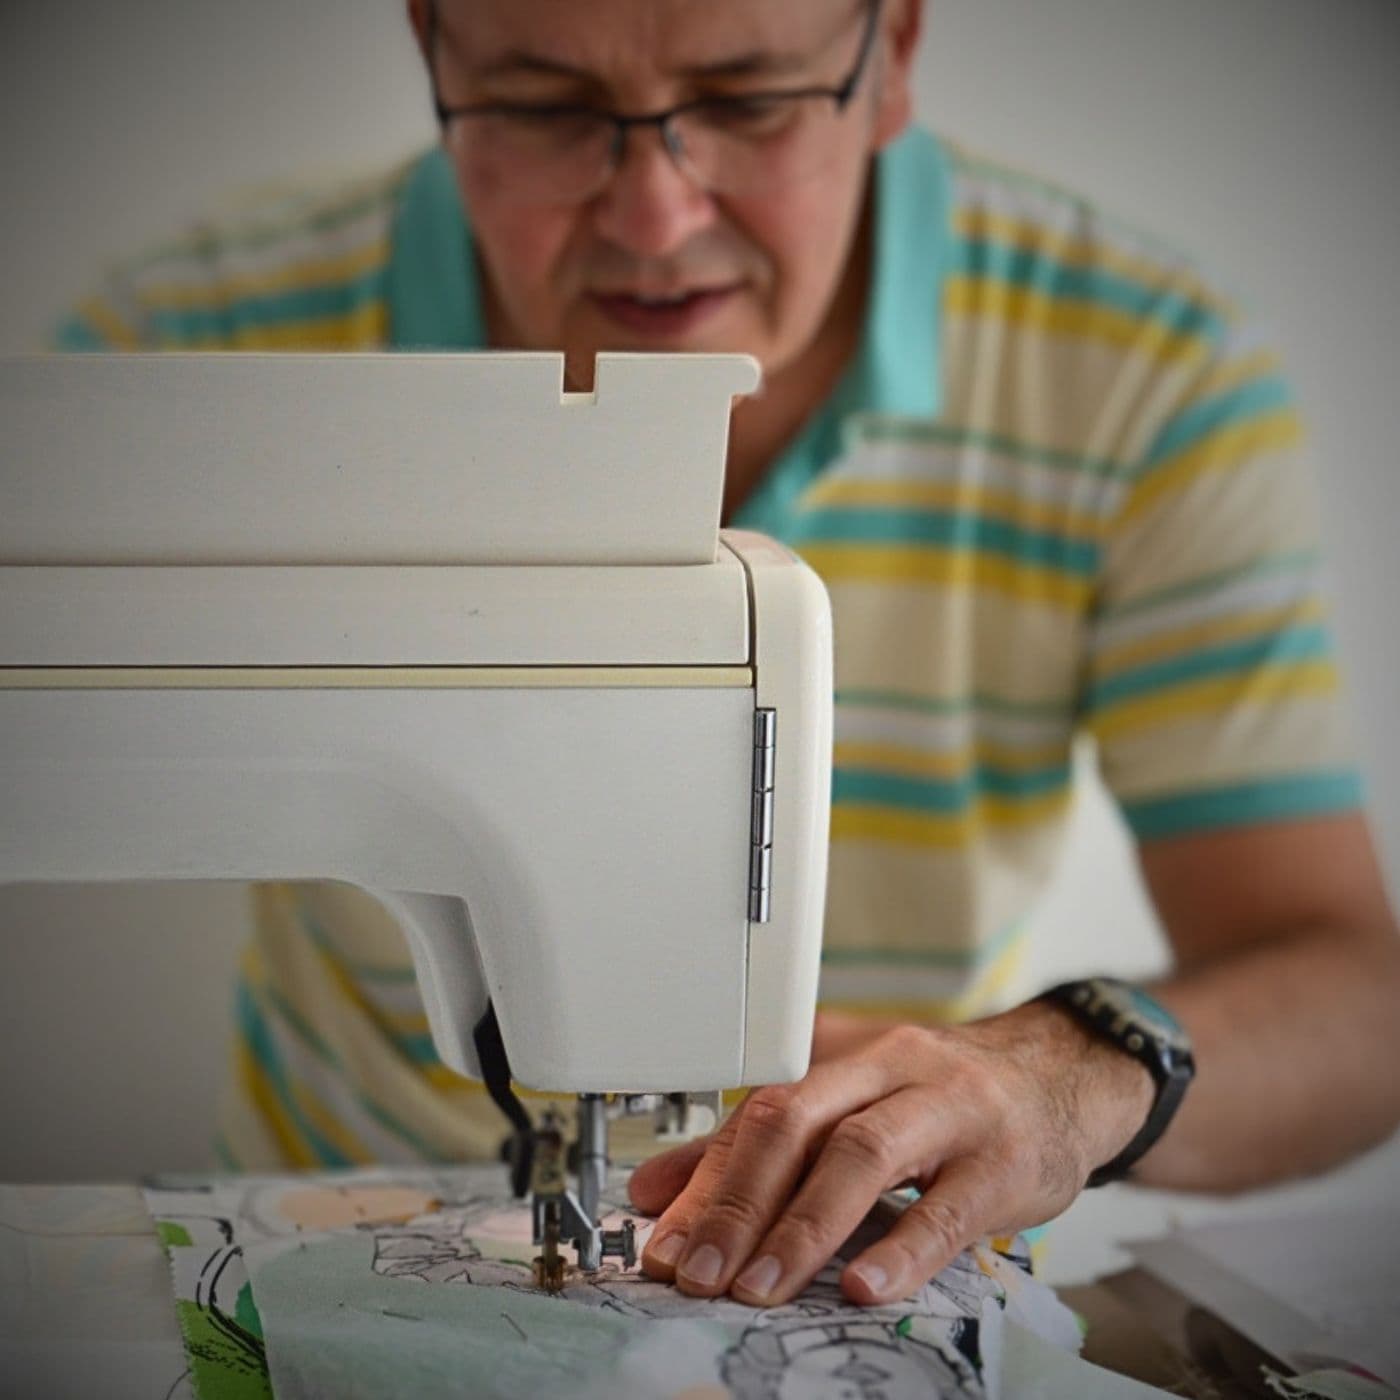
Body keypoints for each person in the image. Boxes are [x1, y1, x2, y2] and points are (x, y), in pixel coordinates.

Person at [57, 0, 1400, 1310]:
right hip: (302, 1243)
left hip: (838, 1250)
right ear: (429, 48)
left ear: (895, 52)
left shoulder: (1141, 377)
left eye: (750, 100)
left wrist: (1065, 1076)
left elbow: (1357, 1002)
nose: (655, 218)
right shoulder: (189, 359)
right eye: (544, 104)